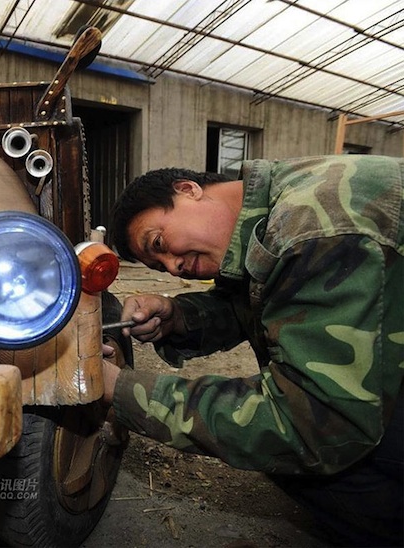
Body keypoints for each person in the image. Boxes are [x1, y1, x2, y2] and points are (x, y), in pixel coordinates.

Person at [102, 156, 403, 547]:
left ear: (187, 190)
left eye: (159, 243)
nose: (173, 268)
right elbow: (266, 299)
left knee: (296, 455)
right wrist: (177, 316)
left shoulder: (313, 229)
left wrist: (124, 391)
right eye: (159, 267)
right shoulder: (278, 200)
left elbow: (312, 424)